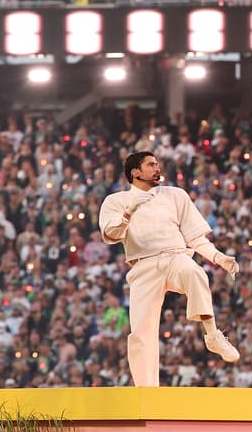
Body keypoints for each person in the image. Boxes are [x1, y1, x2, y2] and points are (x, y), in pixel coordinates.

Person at [99, 151, 241, 386]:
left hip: (175, 256)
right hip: (143, 266)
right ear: (135, 172)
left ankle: (212, 335)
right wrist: (128, 212)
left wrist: (218, 257)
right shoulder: (115, 201)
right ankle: (147, 391)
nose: (157, 168)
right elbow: (111, 234)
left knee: (195, 272)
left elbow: (195, 237)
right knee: (140, 333)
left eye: (157, 164)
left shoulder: (175, 195)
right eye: (151, 164)